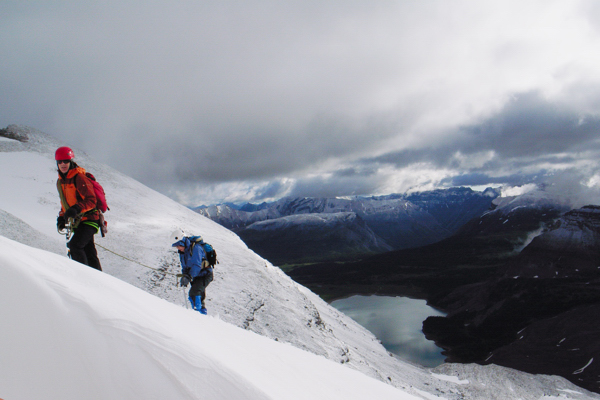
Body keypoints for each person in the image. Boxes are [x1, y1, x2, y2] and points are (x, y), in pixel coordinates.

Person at [55, 146, 102, 271]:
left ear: (70, 161)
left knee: (75, 246)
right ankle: (100, 281)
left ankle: (83, 277)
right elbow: (64, 204)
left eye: (65, 161)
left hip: (90, 219)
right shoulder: (60, 182)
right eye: (60, 162)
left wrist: (76, 208)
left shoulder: (79, 178)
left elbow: (91, 200)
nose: (63, 164)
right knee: (88, 250)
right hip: (79, 222)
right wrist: (61, 218)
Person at [171, 230, 214, 315]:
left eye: (179, 245)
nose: (178, 248)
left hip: (205, 274)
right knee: (194, 296)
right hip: (196, 276)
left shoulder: (196, 248)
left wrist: (188, 277)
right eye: (176, 246)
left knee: (195, 294)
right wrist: (184, 276)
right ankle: (201, 316)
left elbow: (197, 266)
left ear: (183, 241)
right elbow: (185, 266)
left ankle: (200, 316)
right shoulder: (183, 252)